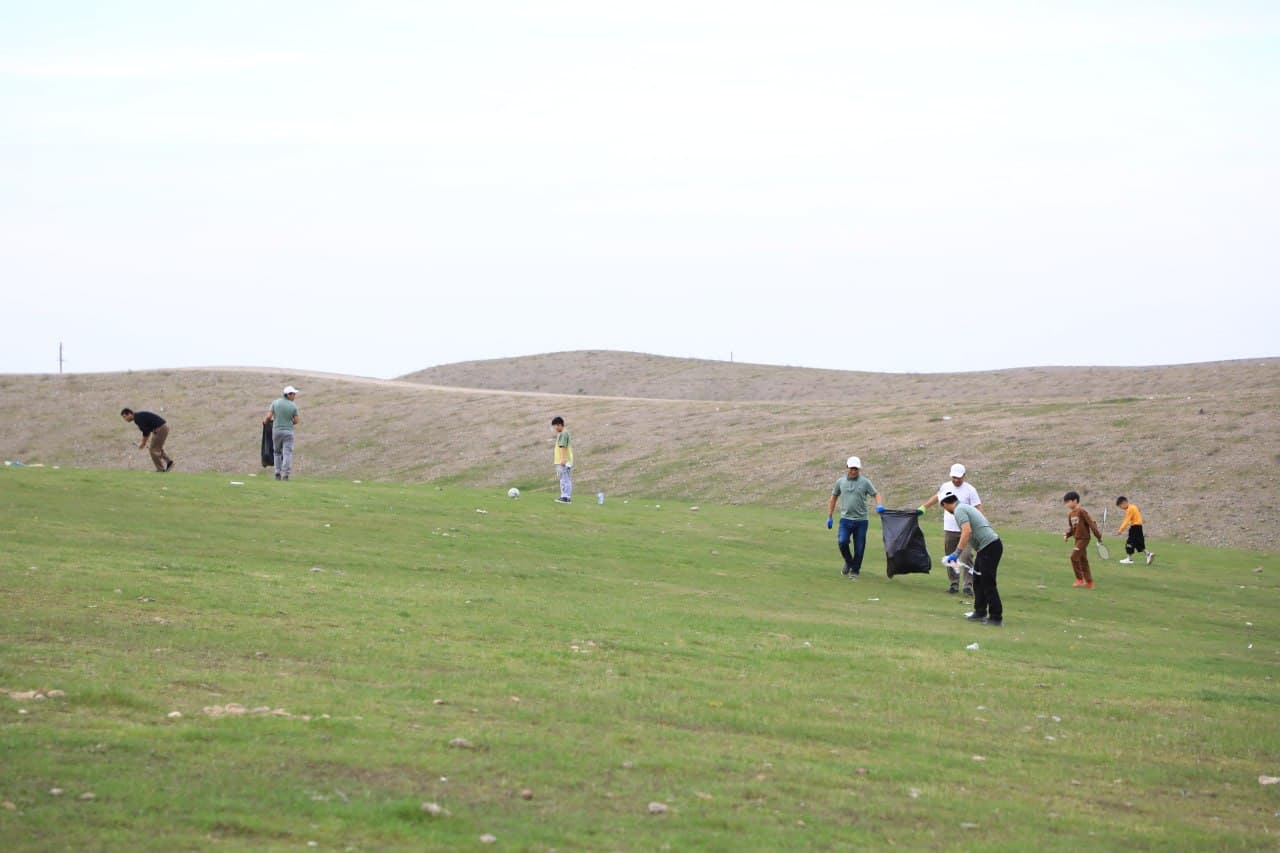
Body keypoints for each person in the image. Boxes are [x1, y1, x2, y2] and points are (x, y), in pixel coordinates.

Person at [941, 489, 1004, 625]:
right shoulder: (963, 507)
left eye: (943, 507)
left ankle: (996, 616)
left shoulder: (959, 510)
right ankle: (980, 611)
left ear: (945, 504)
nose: (945, 510)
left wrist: (956, 553)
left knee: (988, 582)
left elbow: (967, 531)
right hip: (985, 548)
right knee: (978, 580)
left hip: (990, 546)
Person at [918, 463, 983, 595]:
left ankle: (967, 586)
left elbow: (978, 507)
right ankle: (954, 583)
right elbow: (937, 498)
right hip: (949, 529)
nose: (956, 480)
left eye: (958, 477)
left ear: (964, 476)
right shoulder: (946, 487)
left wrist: (981, 523)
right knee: (951, 557)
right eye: (954, 477)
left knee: (966, 556)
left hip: (966, 529)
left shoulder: (970, 490)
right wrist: (924, 507)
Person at [826, 456, 884, 578]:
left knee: (859, 547)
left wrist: (879, 505)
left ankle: (855, 571)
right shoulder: (840, 482)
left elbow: (876, 494)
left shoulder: (865, 482)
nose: (854, 471)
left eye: (856, 469)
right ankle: (848, 561)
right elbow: (833, 498)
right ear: (847, 467)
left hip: (861, 521)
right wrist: (830, 516)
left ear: (859, 469)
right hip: (845, 519)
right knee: (842, 542)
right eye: (852, 468)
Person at [1063, 491, 1104, 588]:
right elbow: (1072, 528)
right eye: (1066, 502)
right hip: (1077, 539)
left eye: (1068, 502)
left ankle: (1080, 579)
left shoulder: (1082, 511)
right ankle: (1089, 582)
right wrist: (1067, 535)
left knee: (1073, 557)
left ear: (1075, 501)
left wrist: (1098, 536)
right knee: (1083, 560)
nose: (1067, 504)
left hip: (1084, 539)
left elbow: (1091, 524)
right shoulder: (1070, 514)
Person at [120, 407, 174, 472]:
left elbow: (146, 432)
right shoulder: (138, 417)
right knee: (156, 448)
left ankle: (160, 469)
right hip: (160, 429)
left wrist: (143, 443)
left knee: (152, 449)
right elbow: (147, 430)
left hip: (160, 429)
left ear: (130, 414)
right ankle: (169, 462)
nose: (125, 419)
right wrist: (144, 442)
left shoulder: (138, 418)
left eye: (125, 416)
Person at [264, 386, 300, 480]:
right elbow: (296, 421)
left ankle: (277, 473)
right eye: (293, 394)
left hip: (277, 431)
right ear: (288, 395)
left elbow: (269, 416)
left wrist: (265, 422)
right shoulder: (293, 406)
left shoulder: (275, 402)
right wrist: (288, 422)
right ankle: (286, 474)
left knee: (277, 452)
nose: (294, 396)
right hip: (288, 432)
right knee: (287, 453)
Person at [1115, 496, 1155, 565]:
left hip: (1135, 527)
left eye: (1120, 506)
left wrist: (1120, 530)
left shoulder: (1130, 509)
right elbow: (1138, 510)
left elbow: (1126, 520)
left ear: (1124, 503)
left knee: (1129, 542)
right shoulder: (1133, 507)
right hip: (1139, 527)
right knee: (1139, 543)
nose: (1121, 508)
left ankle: (1129, 559)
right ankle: (1148, 554)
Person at [551, 416, 573, 503]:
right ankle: (564, 496)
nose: (555, 428)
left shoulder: (564, 433)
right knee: (563, 479)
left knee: (565, 479)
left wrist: (563, 459)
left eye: (555, 426)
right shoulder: (562, 433)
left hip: (564, 461)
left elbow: (563, 446)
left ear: (559, 425)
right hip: (561, 461)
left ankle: (566, 497)